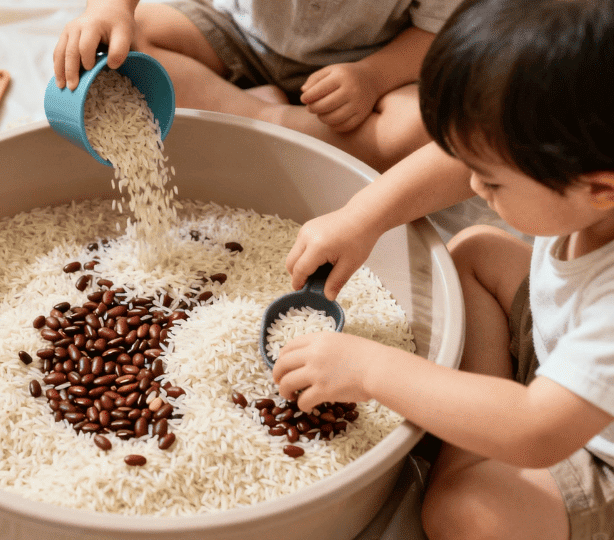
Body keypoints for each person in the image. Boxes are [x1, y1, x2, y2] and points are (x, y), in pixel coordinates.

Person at [276, 0, 614, 538]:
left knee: (462, 513)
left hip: (593, 450)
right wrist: (362, 217)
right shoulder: (585, 169)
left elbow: (537, 431)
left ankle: (468, 460)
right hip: (560, 356)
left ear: (600, 189)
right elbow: (460, 161)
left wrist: (371, 370)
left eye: (492, 183)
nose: (474, 186)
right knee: (476, 249)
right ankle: (474, 427)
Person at [52, 0, 462, 173]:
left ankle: (255, 114)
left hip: (370, 59)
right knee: (134, 40)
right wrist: (110, 9)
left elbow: (441, 31)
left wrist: (375, 76)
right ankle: (260, 115)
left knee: (420, 128)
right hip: (241, 37)